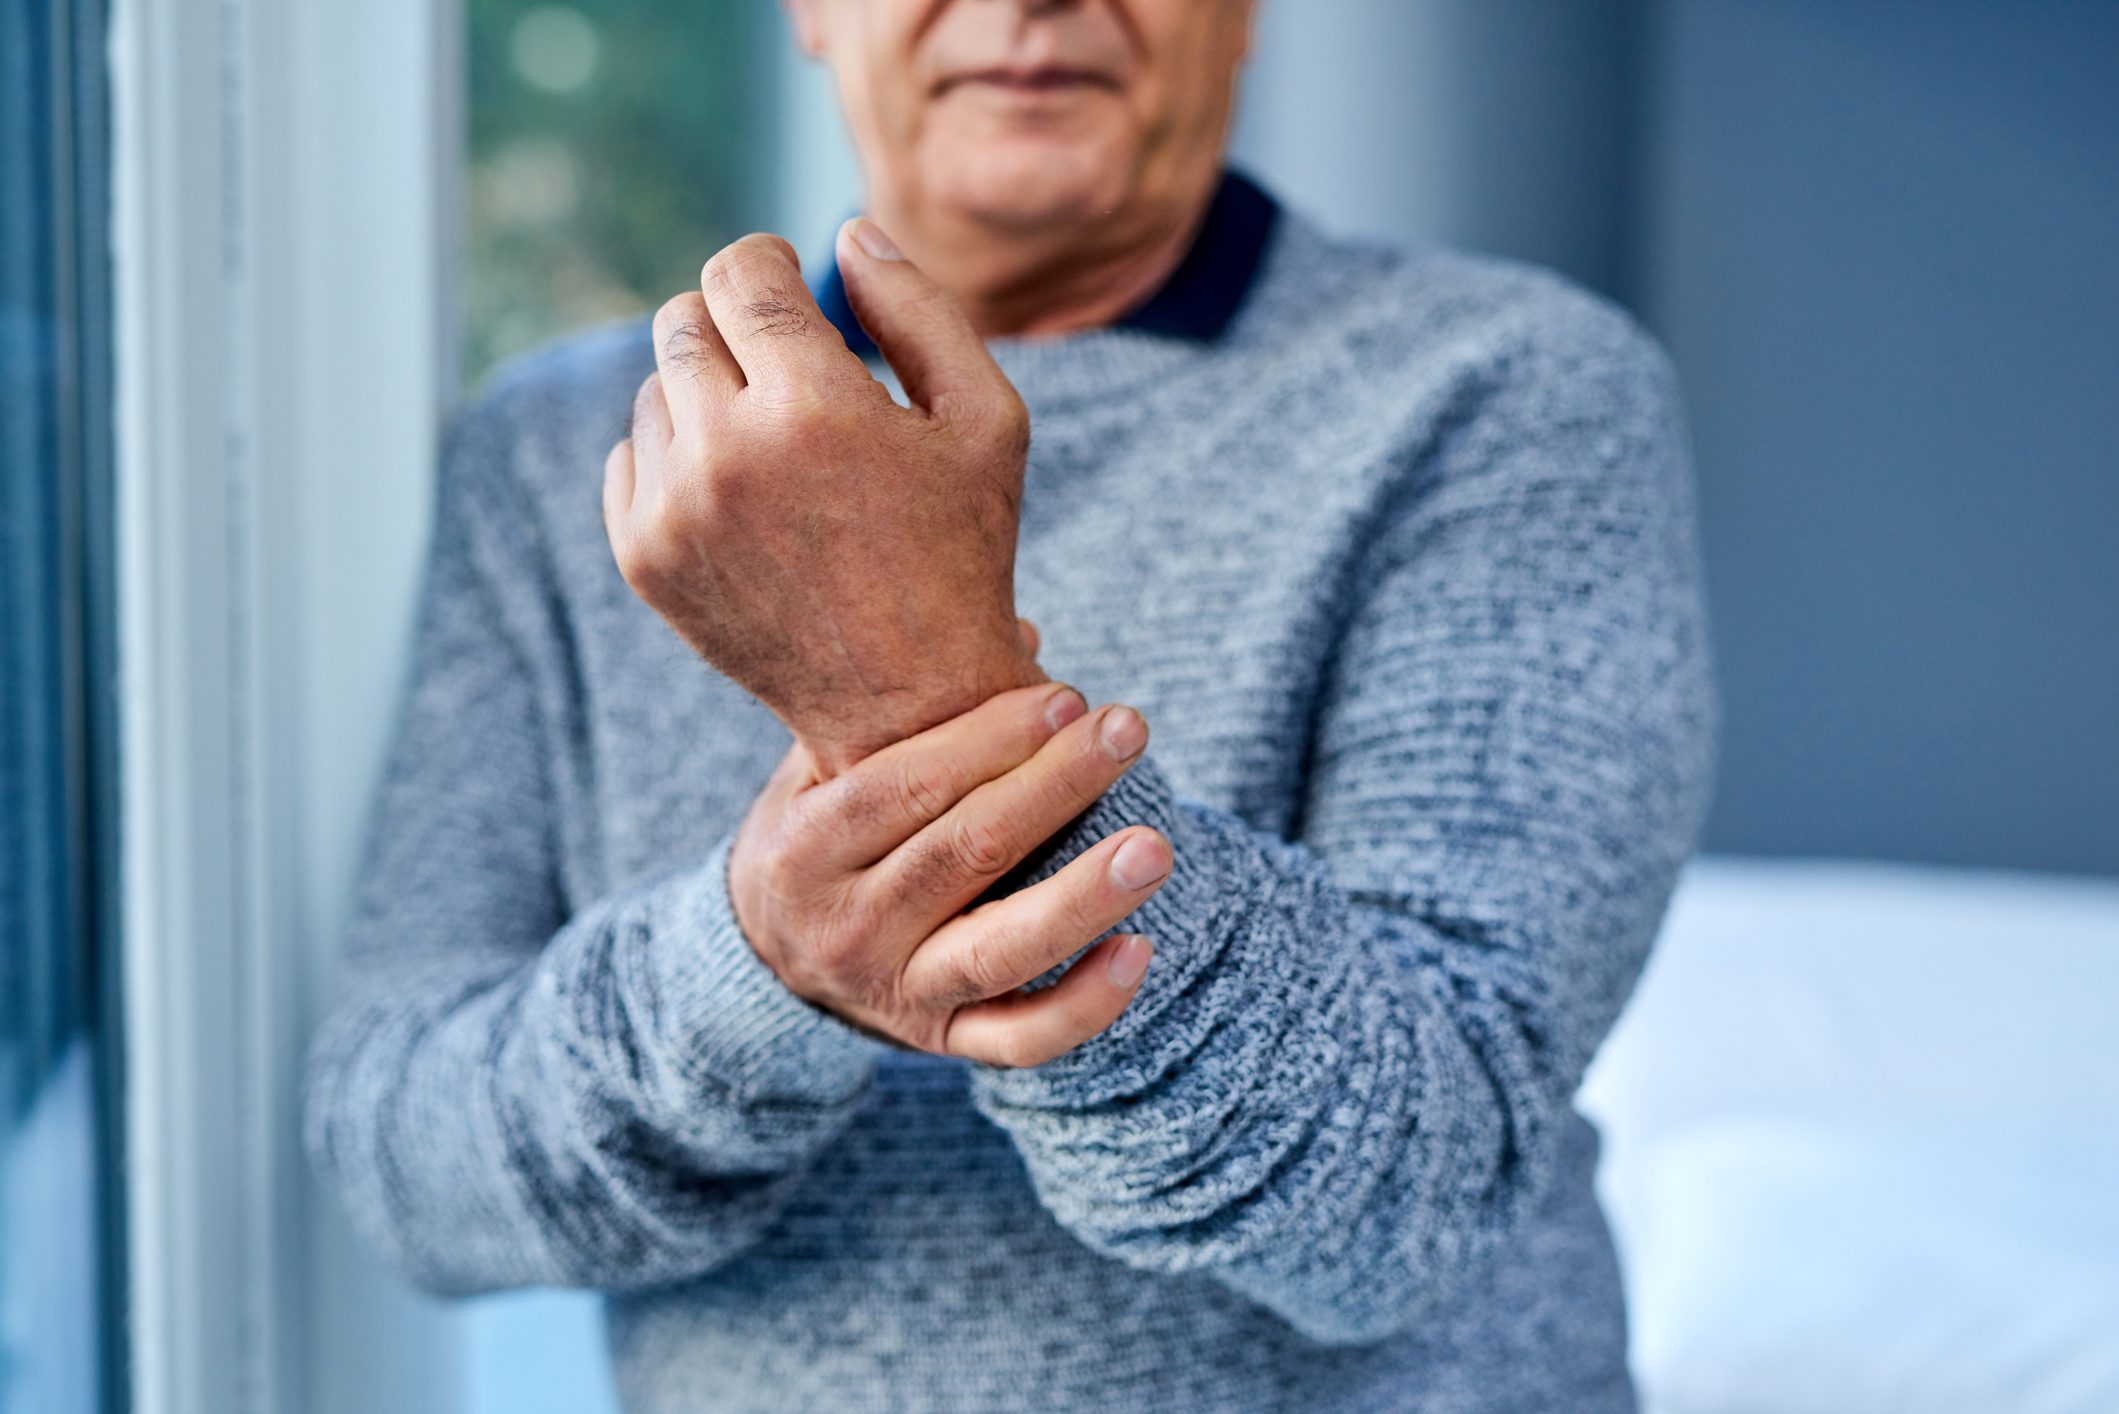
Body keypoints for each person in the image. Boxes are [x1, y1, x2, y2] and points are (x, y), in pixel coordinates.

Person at [303, 1, 1717, 1409]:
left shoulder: (1511, 389)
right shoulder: (566, 452)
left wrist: (914, 695)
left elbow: (1416, 1193)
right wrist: (760, 970)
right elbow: (401, 1159)